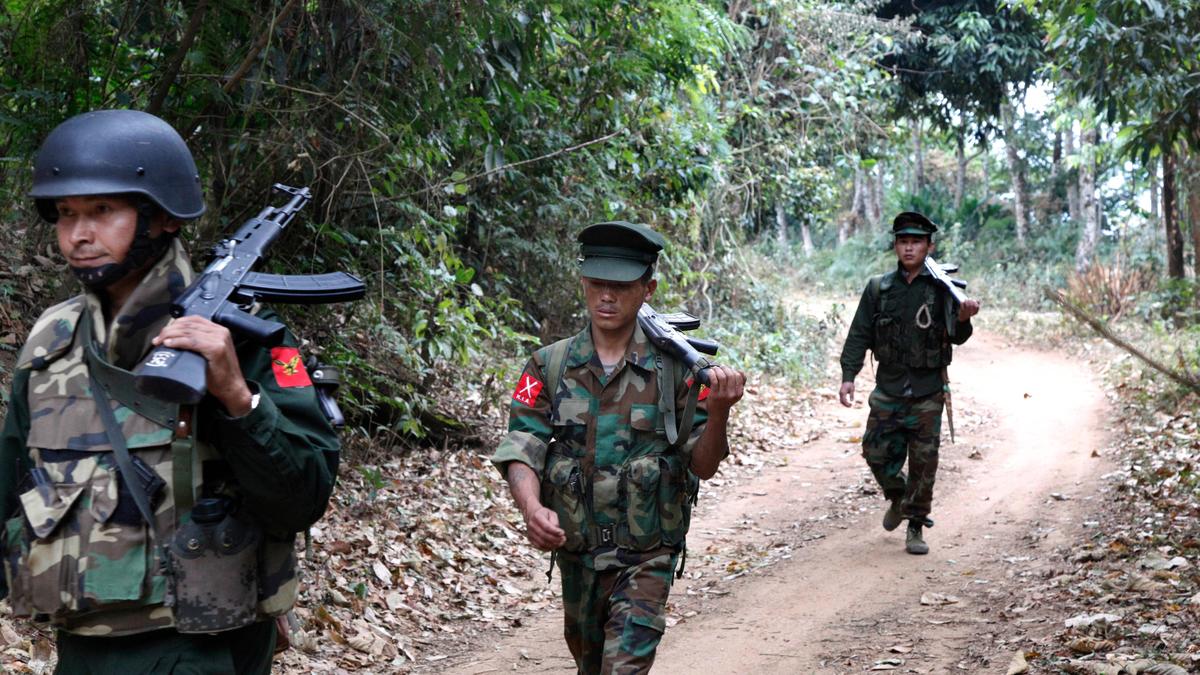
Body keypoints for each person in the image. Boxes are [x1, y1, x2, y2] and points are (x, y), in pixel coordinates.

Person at [0, 109, 338, 673]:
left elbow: (303, 496)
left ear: (162, 218)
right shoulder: (48, 341)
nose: (78, 235)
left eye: (102, 211)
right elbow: (9, 484)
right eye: (65, 214)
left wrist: (237, 396)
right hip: (80, 644)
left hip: (199, 646)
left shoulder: (241, 337)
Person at [490, 221, 745, 673]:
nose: (606, 296)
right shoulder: (548, 364)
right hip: (579, 556)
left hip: (647, 556)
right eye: (598, 283)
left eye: (621, 286)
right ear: (584, 282)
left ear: (648, 288)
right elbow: (522, 444)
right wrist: (531, 509)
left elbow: (703, 466)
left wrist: (720, 410)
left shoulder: (677, 369)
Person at [837, 211, 980, 555]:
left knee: (924, 462)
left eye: (917, 242)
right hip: (889, 387)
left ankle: (915, 525)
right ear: (895, 246)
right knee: (874, 450)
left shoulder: (944, 289)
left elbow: (958, 336)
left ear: (929, 246)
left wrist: (964, 319)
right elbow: (860, 333)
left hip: (928, 390)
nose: (910, 248)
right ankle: (898, 496)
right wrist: (848, 375)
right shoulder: (879, 288)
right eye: (903, 241)